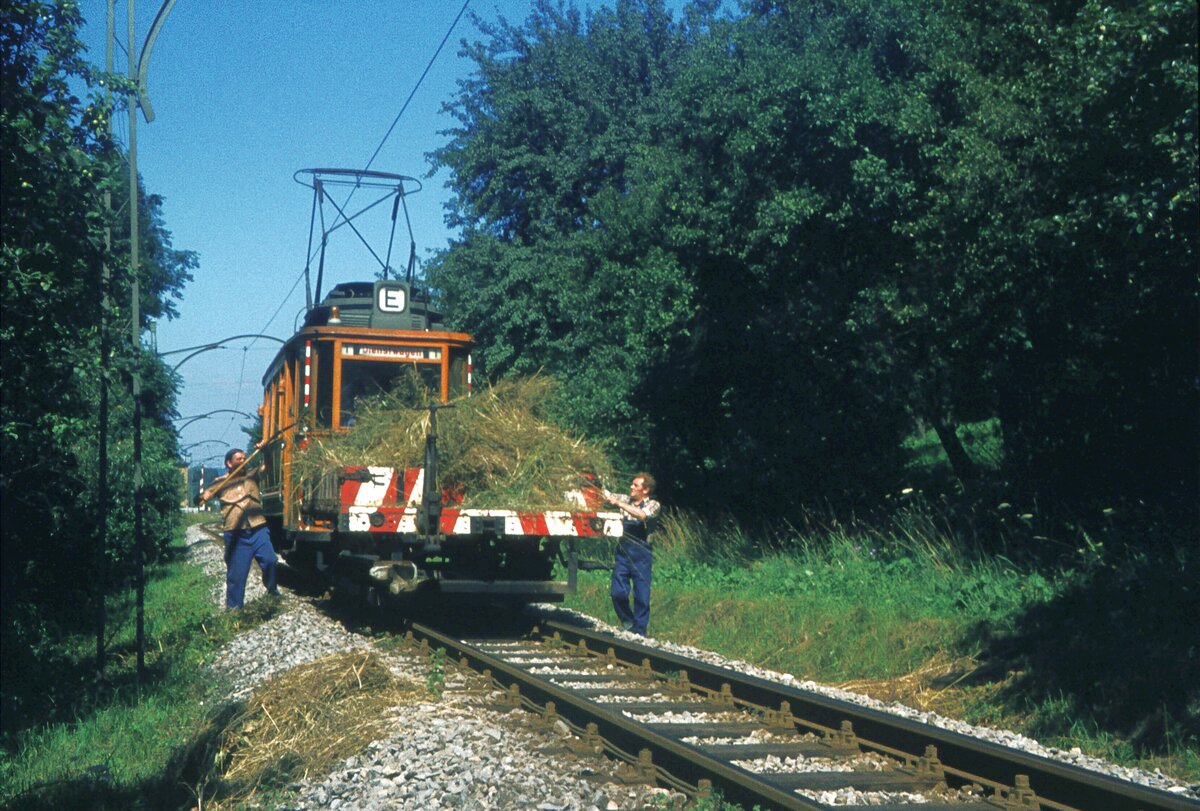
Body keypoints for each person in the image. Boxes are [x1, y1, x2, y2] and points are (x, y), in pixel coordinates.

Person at [199, 447, 280, 609]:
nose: (243, 461)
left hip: (258, 529)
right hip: (236, 534)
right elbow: (201, 499)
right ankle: (234, 610)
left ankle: (272, 589)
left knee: (270, 560)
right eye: (239, 459)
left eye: (244, 458)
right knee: (236, 575)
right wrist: (203, 496)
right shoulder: (219, 483)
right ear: (229, 463)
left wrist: (266, 451)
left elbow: (268, 466)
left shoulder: (253, 476)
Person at [605, 473, 660, 636]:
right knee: (617, 592)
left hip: (641, 553)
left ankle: (640, 631)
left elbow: (642, 515)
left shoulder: (653, 505)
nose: (631, 487)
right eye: (632, 484)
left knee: (642, 594)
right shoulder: (625, 499)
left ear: (646, 490)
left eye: (636, 485)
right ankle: (628, 621)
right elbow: (606, 495)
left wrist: (619, 503)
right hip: (623, 551)